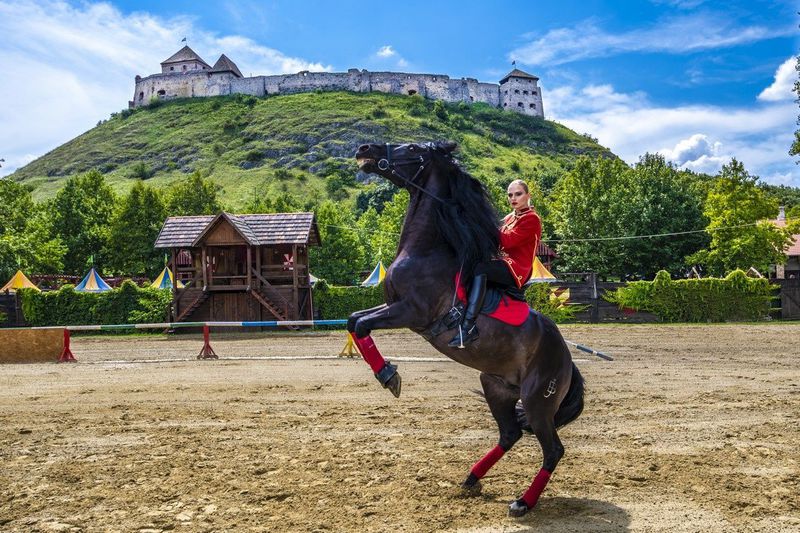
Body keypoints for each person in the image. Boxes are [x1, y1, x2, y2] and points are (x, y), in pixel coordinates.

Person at [448, 179, 542, 348]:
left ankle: (468, 327)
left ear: (528, 195)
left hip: (517, 269)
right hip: (502, 263)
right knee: (470, 264)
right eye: (510, 195)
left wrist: (482, 221)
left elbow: (506, 242)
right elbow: (492, 241)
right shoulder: (509, 217)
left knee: (480, 269)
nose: (513, 198)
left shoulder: (531, 219)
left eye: (518, 194)